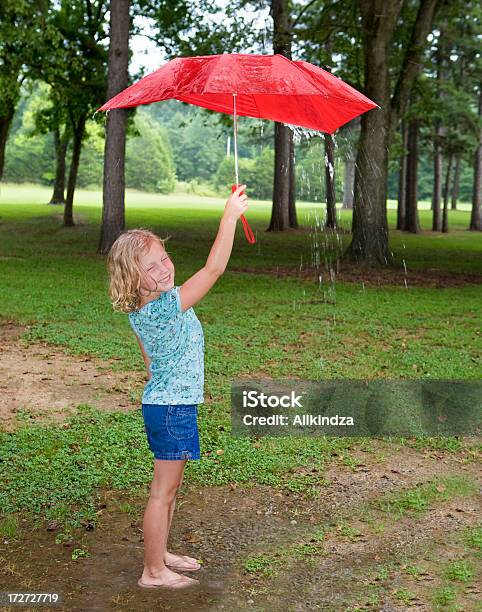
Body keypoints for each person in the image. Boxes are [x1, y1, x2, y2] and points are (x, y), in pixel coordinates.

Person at [106, 185, 249, 589]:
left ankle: (160, 552)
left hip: (168, 404)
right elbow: (214, 269)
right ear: (134, 278)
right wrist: (229, 217)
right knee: (162, 493)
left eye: (164, 258)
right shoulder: (166, 306)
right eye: (152, 267)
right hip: (171, 409)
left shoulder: (142, 308)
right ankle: (153, 572)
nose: (165, 269)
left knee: (169, 490)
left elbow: (149, 360)